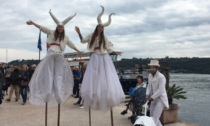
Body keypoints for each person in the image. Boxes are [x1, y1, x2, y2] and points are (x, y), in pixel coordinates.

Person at [26, 9, 81, 107]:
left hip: (59, 53)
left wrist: (78, 50)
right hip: (51, 52)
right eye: (59, 26)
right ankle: (47, 94)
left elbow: (71, 44)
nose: (60, 28)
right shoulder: (51, 32)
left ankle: (58, 94)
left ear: (63, 28)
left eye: (61, 27)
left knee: (58, 74)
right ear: (57, 27)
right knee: (49, 73)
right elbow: (42, 28)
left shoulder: (65, 37)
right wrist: (33, 23)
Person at [75, 5, 124, 111]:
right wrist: (79, 33)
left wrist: (115, 52)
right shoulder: (92, 35)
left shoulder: (104, 38)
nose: (100, 28)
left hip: (103, 57)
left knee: (105, 75)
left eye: (102, 27)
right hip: (95, 56)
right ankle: (93, 96)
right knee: (94, 75)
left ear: (103, 28)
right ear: (97, 27)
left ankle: (105, 96)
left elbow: (108, 48)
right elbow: (83, 40)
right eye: (99, 26)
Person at [146, 60, 169, 126]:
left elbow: (161, 90)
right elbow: (148, 86)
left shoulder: (161, 77)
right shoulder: (150, 75)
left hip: (160, 99)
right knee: (151, 117)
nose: (151, 69)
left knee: (155, 118)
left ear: (157, 68)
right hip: (153, 99)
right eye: (150, 67)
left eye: (153, 67)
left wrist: (152, 97)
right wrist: (147, 94)